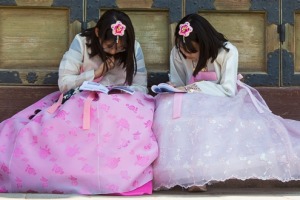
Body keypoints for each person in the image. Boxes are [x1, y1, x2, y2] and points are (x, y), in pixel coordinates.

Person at [0, 9, 158, 195]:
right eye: (109, 47)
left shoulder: (134, 48)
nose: (114, 52)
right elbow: (64, 82)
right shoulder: (82, 42)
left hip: (119, 105)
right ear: (98, 34)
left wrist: (117, 94)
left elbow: (140, 87)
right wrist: (94, 75)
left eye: (120, 48)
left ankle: (115, 177)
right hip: (82, 102)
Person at [152, 13, 300, 192]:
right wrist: (173, 86)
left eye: (191, 52)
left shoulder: (227, 51)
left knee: (205, 116)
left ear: (205, 45)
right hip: (188, 99)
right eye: (183, 51)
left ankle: (200, 176)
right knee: (167, 109)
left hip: (221, 100)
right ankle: (187, 175)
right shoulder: (178, 52)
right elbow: (178, 83)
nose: (186, 56)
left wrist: (196, 88)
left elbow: (228, 90)